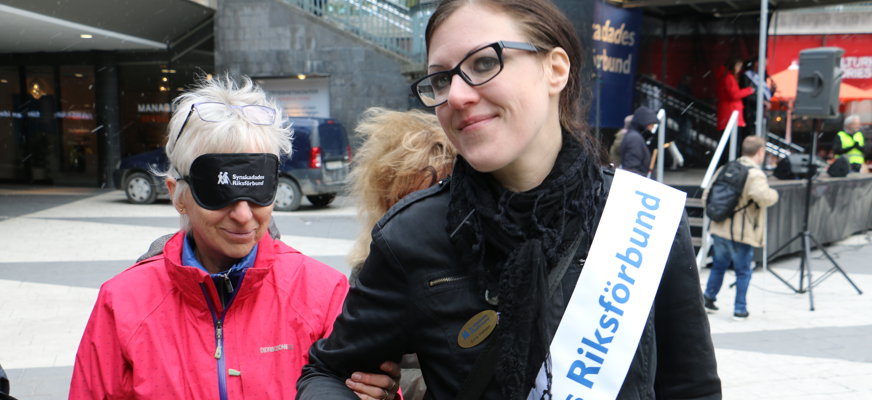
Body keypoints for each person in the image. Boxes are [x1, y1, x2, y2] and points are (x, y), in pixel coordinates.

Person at [297, 0, 721, 399]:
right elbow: (326, 372)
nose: (457, 96)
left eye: (484, 63)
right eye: (442, 79)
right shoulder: (411, 235)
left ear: (555, 69)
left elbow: (691, 388)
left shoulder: (643, 216)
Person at [69, 76, 400, 400]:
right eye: (221, 191)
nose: (244, 215)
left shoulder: (323, 294)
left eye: (257, 188)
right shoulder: (123, 304)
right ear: (178, 195)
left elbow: (374, 386)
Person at [347, 107, 457, 400]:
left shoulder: (483, 265)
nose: (420, 217)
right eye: (408, 203)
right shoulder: (371, 272)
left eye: (435, 200)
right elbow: (360, 370)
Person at [702, 136, 779, 319]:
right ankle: (739, 309)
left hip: (719, 227)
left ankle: (708, 298)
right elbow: (764, 197)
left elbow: (707, 194)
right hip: (742, 232)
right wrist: (774, 194)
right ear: (760, 152)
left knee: (718, 266)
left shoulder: (726, 168)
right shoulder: (755, 174)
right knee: (743, 271)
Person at [716, 58, 755, 134]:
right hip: (731, 112)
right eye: (738, 66)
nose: (739, 69)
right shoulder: (729, 77)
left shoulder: (726, 76)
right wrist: (749, 90)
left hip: (729, 112)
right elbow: (734, 95)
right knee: (733, 139)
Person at [619, 106, 658, 176]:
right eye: (651, 125)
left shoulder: (634, 137)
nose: (652, 129)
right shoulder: (635, 139)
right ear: (644, 124)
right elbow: (631, 170)